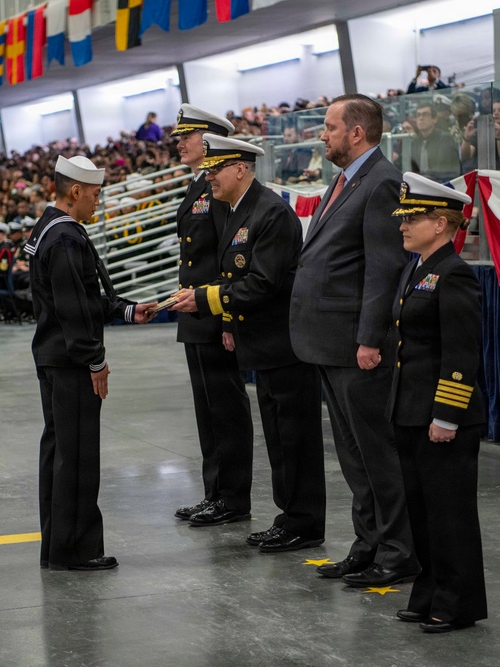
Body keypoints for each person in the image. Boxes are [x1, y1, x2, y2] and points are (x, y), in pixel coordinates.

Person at [171, 135, 326, 552]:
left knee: (295, 439)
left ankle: (305, 522)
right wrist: (223, 315)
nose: (209, 178)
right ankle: (290, 517)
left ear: (240, 168)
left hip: (284, 344)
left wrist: (205, 299)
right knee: (279, 437)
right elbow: (230, 274)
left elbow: (261, 283)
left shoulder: (270, 212)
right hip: (262, 344)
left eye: (215, 170)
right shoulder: (238, 211)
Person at [289, 93, 417, 588]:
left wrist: (369, 338)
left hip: (356, 346)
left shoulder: (381, 183)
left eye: (329, 126)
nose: (323, 134)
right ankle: (367, 545)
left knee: (375, 454)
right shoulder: (346, 181)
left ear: (356, 132)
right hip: (329, 343)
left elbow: (383, 270)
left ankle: (398, 551)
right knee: (352, 454)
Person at [27, 155, 156, 571]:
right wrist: (95, 361)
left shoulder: (48, 227)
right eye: (96, 194)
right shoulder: (65, 238)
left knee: (60, 451)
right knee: (78, 457)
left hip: (53, 356)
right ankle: (77, 550)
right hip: (71, 361)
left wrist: (127, 311)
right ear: (76, 191)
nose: (99, 202)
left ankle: (56, 548)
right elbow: (73, 309)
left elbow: (82, 298)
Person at [387, 172, 487, 634]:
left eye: (413, 218)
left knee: (450, 515)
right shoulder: (418, 268)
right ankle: (428, 592)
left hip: (442, 416)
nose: (403, 226)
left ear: (442, 223)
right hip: (411, 410)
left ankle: (457, 601)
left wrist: (446, 415)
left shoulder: (455, 274)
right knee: (422, 514)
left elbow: (461, 352)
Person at [166, 104, 255, 526]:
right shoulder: (199, 185)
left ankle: (233, 497)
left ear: (211, 141)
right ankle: (215, 492)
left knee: (226, 409)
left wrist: (225, 319)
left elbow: (229, 257)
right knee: (208, 410)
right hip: (195, 311)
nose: (179, 143)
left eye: (188, 136)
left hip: (214, 310)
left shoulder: (219, 189)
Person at [409, 102, 461, 182]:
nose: (421, 118)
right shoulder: (415, 141)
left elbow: (444, 170)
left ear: (434, 119)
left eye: (425, 114)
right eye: (418, 115)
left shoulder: (445, 139)